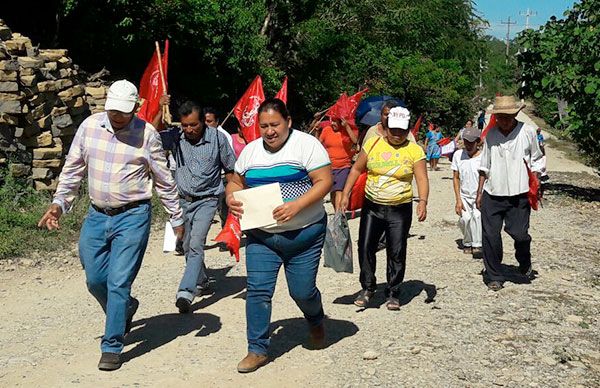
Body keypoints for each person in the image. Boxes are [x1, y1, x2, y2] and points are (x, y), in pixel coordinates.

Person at [37, 80, 184, 371]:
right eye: (113, 110)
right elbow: (73, 169)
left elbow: (164, 179)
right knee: (94, 279)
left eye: (124, 112)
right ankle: (126, 307)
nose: (117, 116)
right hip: (96, 215)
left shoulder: (148, 135)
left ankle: (112, 344)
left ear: (135, 109)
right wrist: (58, 205)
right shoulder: (90, 127)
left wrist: (176, 217)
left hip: (133, 216)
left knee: (118, 281)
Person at [226, 98, 332, 373]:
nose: (269, 131)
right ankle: (257, 349)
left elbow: (324, 181)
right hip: (262, 237)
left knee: (302, 291)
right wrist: (230, 197)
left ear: (288, 122)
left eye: (275, 124)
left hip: (304, 236)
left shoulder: (307, 145)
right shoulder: (250, 152)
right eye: (264, 126)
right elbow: (236, 181)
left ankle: (316, 319)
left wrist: (297, 205)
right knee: (258, 291)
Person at [338, 106, 429, 310]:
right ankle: (368, 287)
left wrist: (423, 201)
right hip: (372, 206)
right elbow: (356, 168)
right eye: (392, 129)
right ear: (385, 127)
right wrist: (345, 193)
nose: (397, 134)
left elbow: (422, 177)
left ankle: (393, 291)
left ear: (407, 130)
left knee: (397, 250)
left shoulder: (414, 150)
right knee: (366, 246)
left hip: (400, 208)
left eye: (402, 131)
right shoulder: (373, 143)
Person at [159, 101, 236, 312]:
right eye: (185, 125)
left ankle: (185, 291)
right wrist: (159, 108)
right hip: (182, 200)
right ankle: (201, 280)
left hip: (208, 199)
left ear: (203, 121)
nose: (189, 130)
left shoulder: (218, 139)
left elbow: (230, 168)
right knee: (185, 245)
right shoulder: (176, 138)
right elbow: (152, 134)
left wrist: (233, 195)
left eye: (193, 125)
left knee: (196, 243)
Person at [476, 95, 544, 291]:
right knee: (490, 236)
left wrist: (537, 179)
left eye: (507, 117)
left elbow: (537, 158)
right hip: (493, 192)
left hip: (519, 193)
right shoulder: (490, 135)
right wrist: (479, 192)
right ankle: (494, 275)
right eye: (500, 117)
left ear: (515, 114)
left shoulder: (528, 132)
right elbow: (484, 165)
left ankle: (524, 261)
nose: (503, 121)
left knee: (519, 234)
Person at [452, 127, 483, 257]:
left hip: (479, 195)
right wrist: (458, 199)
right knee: (465, 219)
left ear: (478, 142)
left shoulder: (483, 156)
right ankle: (467, 242)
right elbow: (456, 177)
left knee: (477, 217)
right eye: (466, 141)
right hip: (464, 195)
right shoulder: (458, 155)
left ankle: (477, 244)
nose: (469, 145)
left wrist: (481, 194)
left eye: (472, 142)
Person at [319, 117, 357, 210]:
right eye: (332, 121)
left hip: (344, 166)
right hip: (329, 167)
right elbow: (318, 143)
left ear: (341, 122)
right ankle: (338, 211)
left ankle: (339, 216)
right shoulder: (326, 130)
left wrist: (347, 127)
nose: (332, 124)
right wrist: (316, 131)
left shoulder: (346, 131)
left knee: (339, 191)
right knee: (333, 193)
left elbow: (355, 141)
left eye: (335, 122)